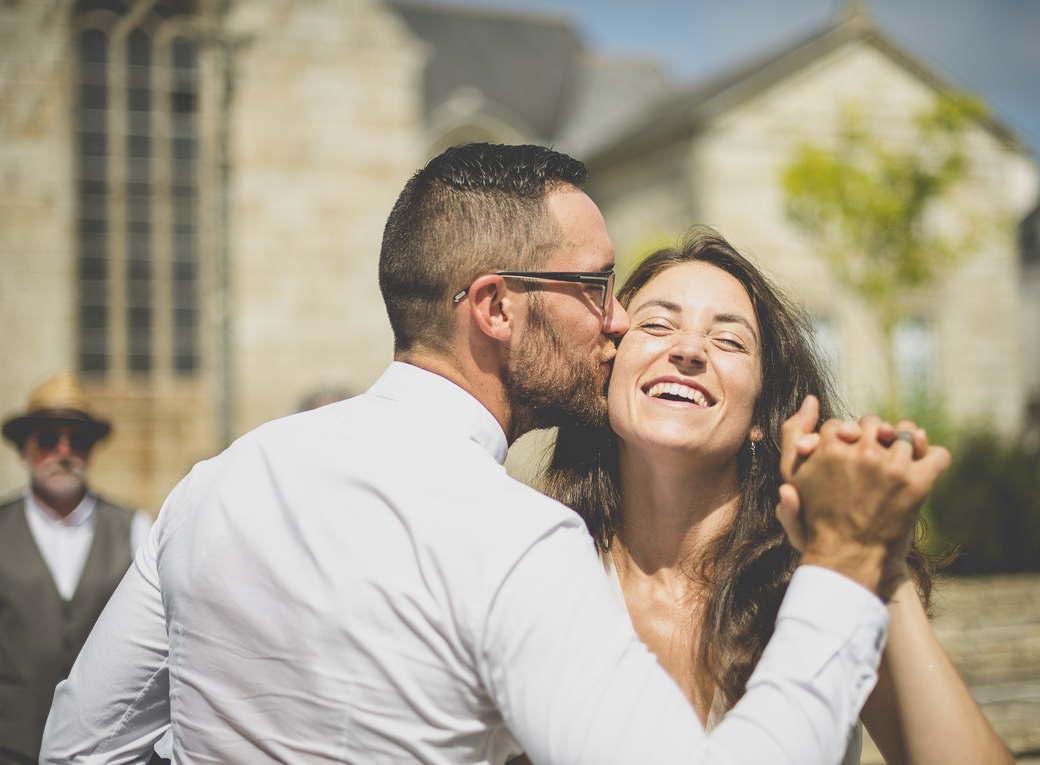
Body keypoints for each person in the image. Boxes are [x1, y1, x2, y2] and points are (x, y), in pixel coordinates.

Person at [43, 144, 948, 765]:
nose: (620, 318)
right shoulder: (516, 538)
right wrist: (840, 566)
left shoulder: (214, 486)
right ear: (496, 309)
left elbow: (80, 744)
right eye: (596, 286)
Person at [542, 229, 1012, 765]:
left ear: (761, 416)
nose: (689, 349)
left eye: (729, 340)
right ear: (608, 371)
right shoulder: (542, 569)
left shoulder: (817, 582)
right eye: (656, 324)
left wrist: (878, 561)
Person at [0, 373, 152, 765]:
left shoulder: (133, 528)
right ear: (23, 450)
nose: (63, 451)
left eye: (78, 440)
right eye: (48, 438)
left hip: (105, 752)